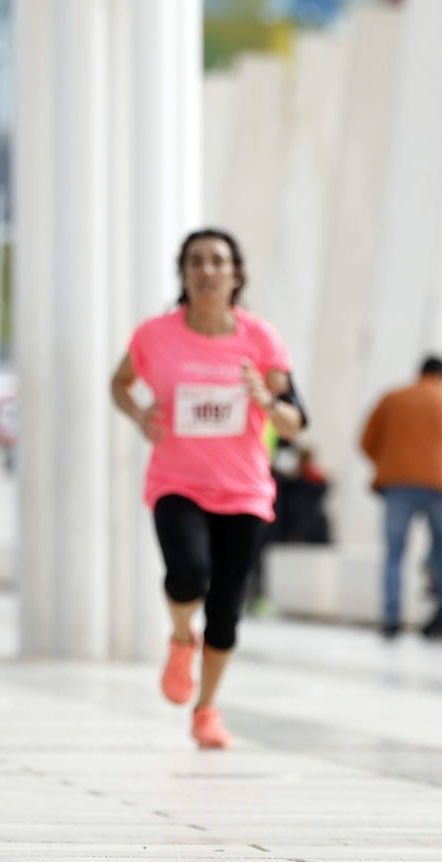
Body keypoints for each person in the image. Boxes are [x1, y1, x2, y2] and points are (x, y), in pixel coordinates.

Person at [110, 228, 305, 750]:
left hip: (243, 490)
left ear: (235, 274)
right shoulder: (155, 335)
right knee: (187, 573)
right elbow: (119, 383)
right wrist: (138, 413)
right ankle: (180, 637)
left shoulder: (261, 338)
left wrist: (264, 396)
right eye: (196, 261)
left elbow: (294, 423)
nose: (207, 270)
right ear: (184, 274)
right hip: (177, 482)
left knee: (226, 606)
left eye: (218, 261)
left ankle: (207, 710)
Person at [359, 355, 442, 639]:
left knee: (394, 553)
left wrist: (389, 464)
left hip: (398, 484)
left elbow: (366, 441)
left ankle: (391, 620)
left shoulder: (393, 398)